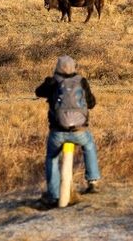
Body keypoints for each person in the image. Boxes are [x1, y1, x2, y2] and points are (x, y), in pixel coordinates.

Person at [35, 55, 101, 207]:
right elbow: (91, 104)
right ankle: (93, 181)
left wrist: (48, 84)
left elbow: (38, 92)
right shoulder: (82, 81)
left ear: (57, 67)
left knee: (52, 157)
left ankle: (53, 194)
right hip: (80, 131)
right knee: (89, 146)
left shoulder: (52, 82)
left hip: (58, 132)